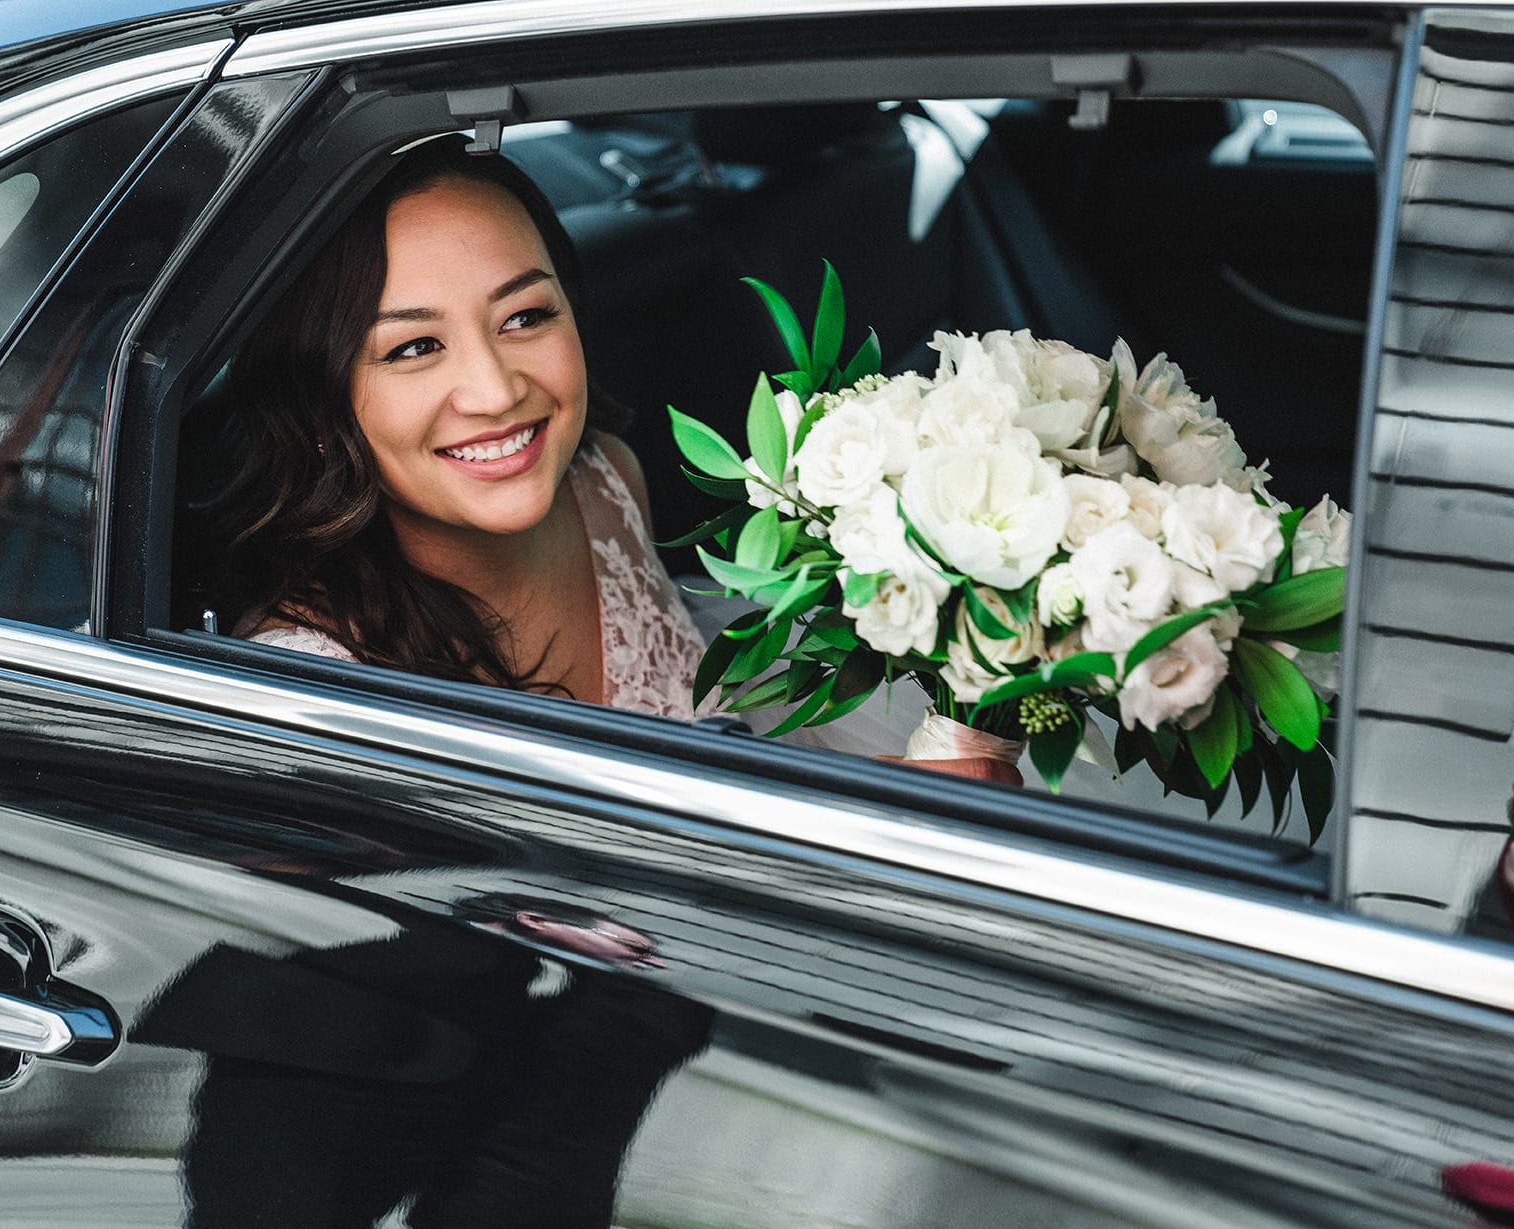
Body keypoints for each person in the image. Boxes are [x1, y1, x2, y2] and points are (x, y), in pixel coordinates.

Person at [217, 133, 1018, 782]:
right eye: (416, 346)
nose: (495, 391)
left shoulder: (606, 480)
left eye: (525, 317)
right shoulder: (312, 698)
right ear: (322, 398)